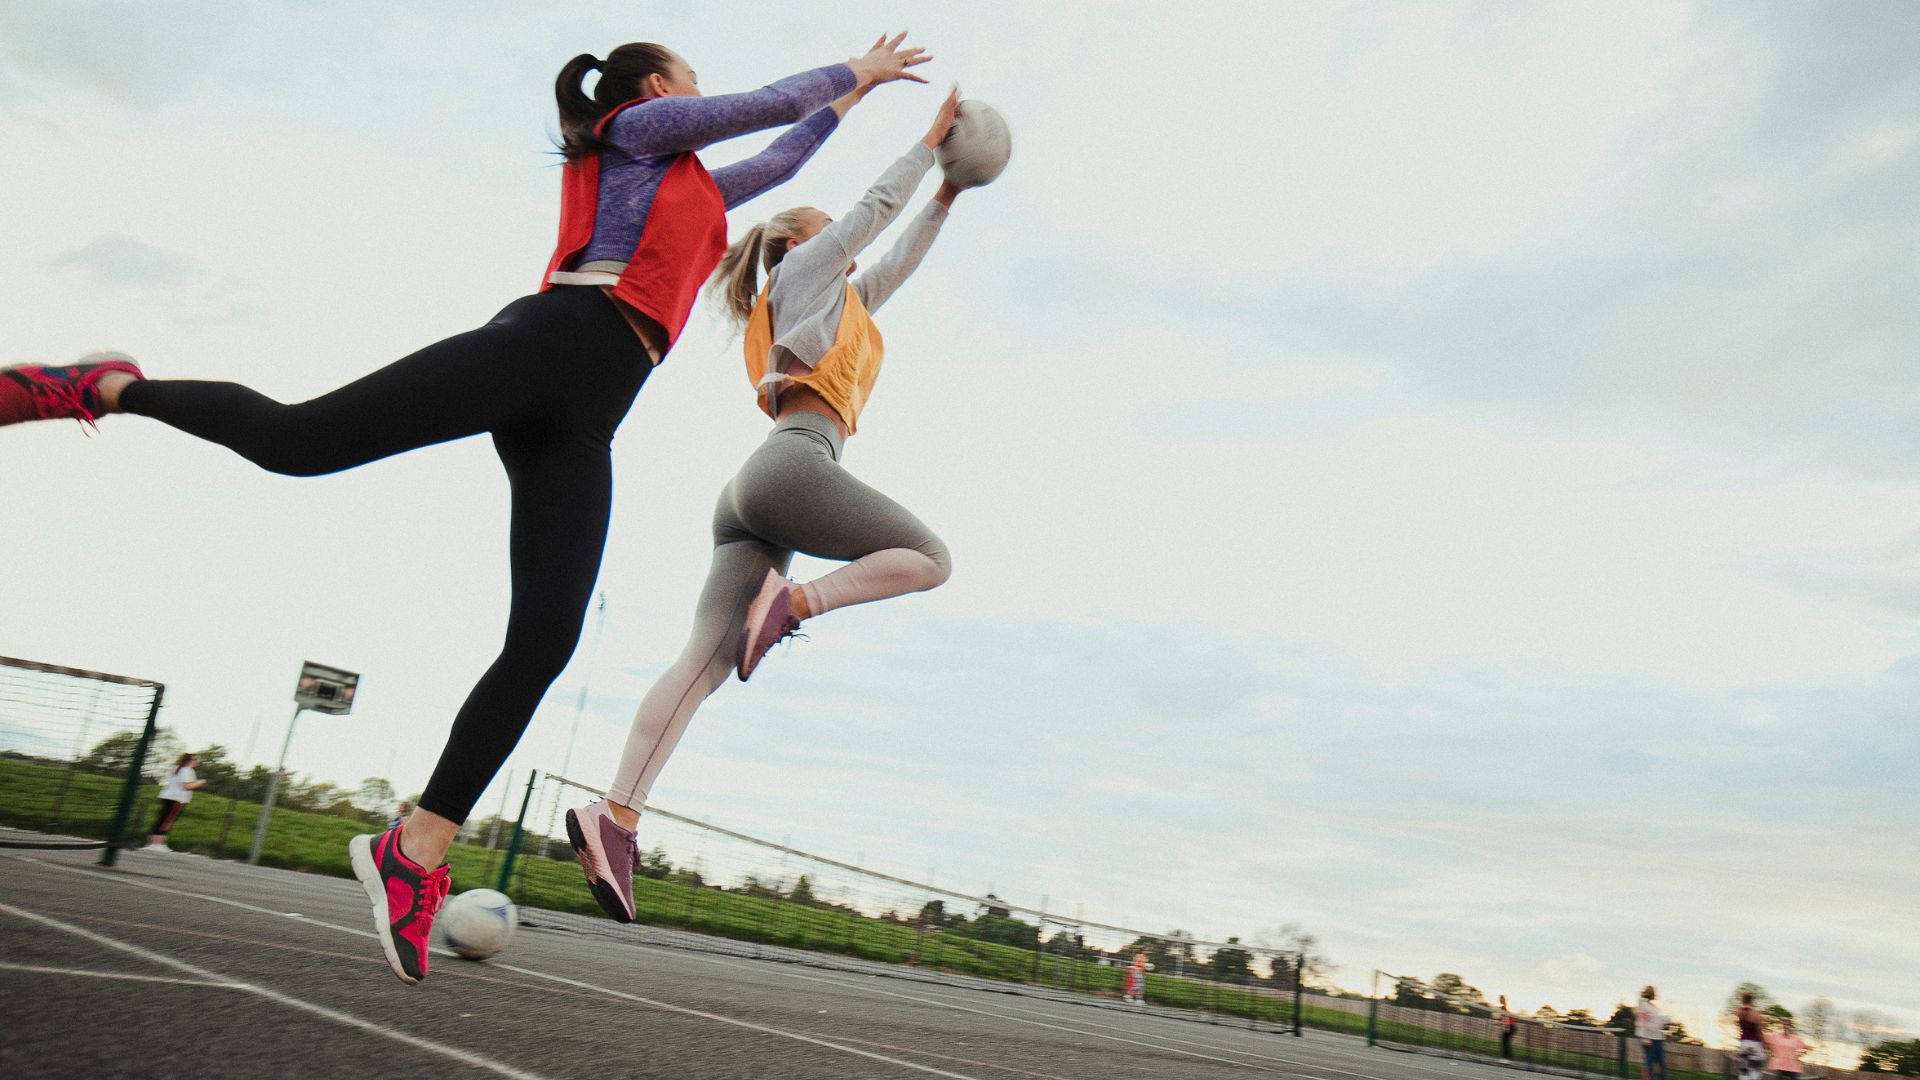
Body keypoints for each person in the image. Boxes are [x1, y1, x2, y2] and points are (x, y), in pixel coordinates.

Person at [1, 36, 930, 986]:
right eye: (690, 73)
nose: (698, 85)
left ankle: (414, 851)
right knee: (298, 441)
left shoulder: (694, 194)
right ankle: (106, 387)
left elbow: (779, 154)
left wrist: (854, 107)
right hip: (552, 340)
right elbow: (767, 105)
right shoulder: (636, 132)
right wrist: (853, 71)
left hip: (588, 412)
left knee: (546, 639)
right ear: (659, 87)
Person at [565, 90, 968, 923]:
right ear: (795, 242)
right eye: (830, 231)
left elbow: (895, 258)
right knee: (930, 560)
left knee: (703, 665)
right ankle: (791, 604)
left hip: (757, 490)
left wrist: (948, 196)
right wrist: (926, 147)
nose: (850, 247)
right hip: (792, 468)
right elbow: (869, 216)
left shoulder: (842, 306)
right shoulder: (800, 270)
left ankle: (616, 815)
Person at [145, 752, 205, 851]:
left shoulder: (175, 768)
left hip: (167, 796)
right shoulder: (188, 770)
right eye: (195, 759)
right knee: (167, 821)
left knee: (161, 819)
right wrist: (200, 782)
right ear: (190, 761)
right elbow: (186, 786)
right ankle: (157, 844)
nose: (197, 762)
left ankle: (153, 843)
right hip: (177, 799)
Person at [1636, 985, 1669, 1080]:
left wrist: (1665, 1020)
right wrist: (1645, 1037)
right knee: (1649, 1063)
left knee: (1660, 1063)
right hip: (1650, 1038)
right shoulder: (1643, 1005)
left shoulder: (1651, 1006)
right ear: (1651, 994)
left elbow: (1655, 1021)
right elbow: (1643, 1021)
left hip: (1657, 1037)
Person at [1736, 992, 1768, 1080]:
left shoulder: (1738, 1011)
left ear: (1742, 1000)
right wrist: (1764, 1045)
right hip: (1755, 1044)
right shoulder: (1756, 1015)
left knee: (1744, 1070)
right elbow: (1759, 1032)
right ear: (1752, 1001)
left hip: (1743, 1043)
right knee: (1755, 1070)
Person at [1498, 995, 1519, 1059]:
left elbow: (1506, 1019)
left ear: (1503, 1000)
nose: (1500, 1000)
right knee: (1505, 1041)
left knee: (1505, 1041)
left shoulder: (1503, 1008)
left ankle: (1507, 1057)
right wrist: (1499, 1022)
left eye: (1501, 999)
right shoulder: (1502, 1008)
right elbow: (1502, 1019)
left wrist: (1506, 1028)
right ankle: (1508, 1057)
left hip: (1511, 1026)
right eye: (1500, 999)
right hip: (1510, 1026)